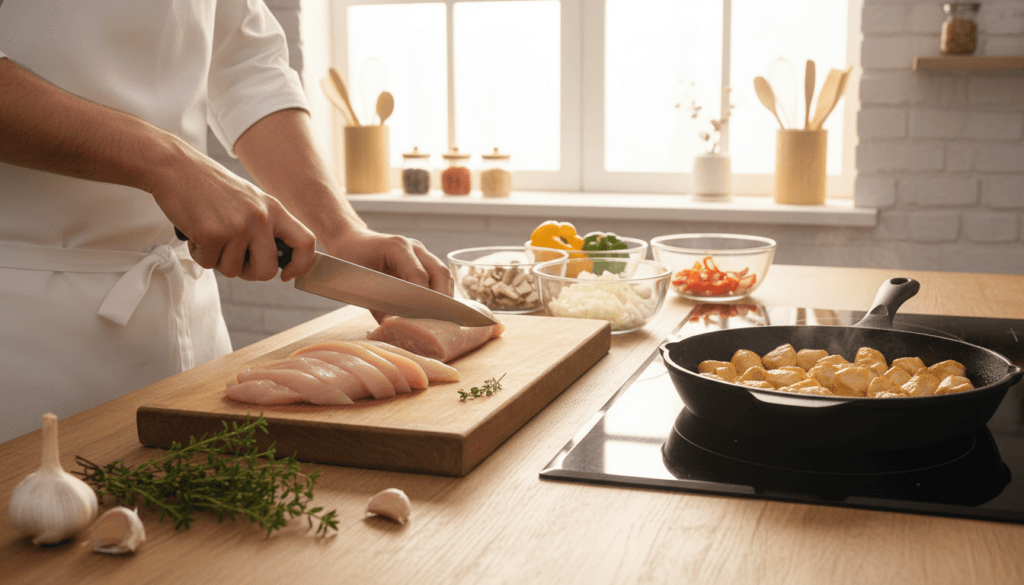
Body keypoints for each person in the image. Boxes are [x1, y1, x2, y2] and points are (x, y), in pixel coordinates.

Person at [0, 0, 452, 442]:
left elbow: (248, 66)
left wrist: (340, 229)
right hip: (34, 338)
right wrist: (169, 163)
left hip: (191, 319)